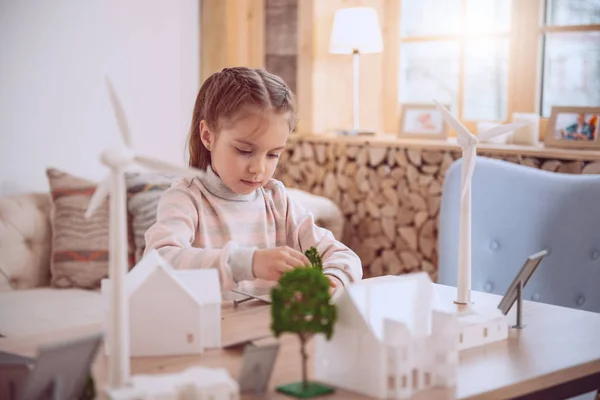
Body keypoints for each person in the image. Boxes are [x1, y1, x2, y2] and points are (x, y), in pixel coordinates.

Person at [143, 67, 362, 294]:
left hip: (268, 328)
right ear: (208, 136)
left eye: (273, 155)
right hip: (209, 328)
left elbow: (344, 256)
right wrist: (247, 263)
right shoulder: (186, 199)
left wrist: (331, 281)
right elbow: (158, 261)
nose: (258, 168)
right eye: (244, 150)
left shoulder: (277, 200)